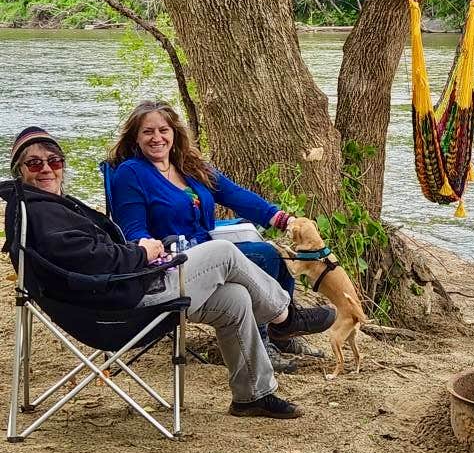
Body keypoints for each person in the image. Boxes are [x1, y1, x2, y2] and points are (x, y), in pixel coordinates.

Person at [5, 126, 327, 420]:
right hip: (120, 303)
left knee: (234, 299)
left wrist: (277, 217)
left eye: (54, 161)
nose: (46, 169)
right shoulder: (43, 213)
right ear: (19, 171)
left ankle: (253, 395)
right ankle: (285, 319)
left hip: (119, 290)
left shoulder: (46, 206)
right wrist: (141, 251)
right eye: (34, 164)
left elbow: (231, 193)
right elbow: (94, 259)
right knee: (225, 253)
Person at [106, 100, 332, 373]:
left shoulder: (188, 165)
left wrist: (282, 219)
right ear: (135, 137)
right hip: (172, 261)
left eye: (163, 130)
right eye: (148, 132)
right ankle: (266, 340)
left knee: (275, 253)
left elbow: (235, 195)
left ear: (174, 132)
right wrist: (147, 246)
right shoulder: (131, 173)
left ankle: (280, 333)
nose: (157, 138)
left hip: (207, 247)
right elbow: (132, 229)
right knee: (264, 256)